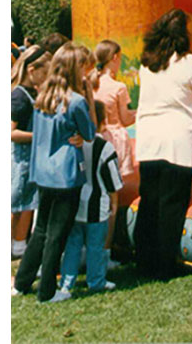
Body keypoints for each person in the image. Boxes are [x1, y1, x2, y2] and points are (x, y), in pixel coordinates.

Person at [13, 44, 96, 303]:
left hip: (43, 172)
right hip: (66, 174)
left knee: (41, 230)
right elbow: (91, 132)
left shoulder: (42, 98)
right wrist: (90, 98)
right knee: (57, 234)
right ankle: (47, 291)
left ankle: (22, 282)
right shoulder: (76, 101)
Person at [134, 8, 192, 280]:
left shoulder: (147, 63)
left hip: (149, 136)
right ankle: (164, 264)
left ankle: (143, 258)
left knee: (149, 200)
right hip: (177, 138)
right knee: (172, 203)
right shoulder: (190, 64)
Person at [57, 100, 123, 299]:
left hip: (75, 203)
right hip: (97, 205)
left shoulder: (70, 141)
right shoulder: (104, 147)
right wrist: (113, 201)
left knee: (73, 245)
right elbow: (112, 178)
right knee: (96, 246)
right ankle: (96, 281)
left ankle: (66, 282)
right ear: (102, 121)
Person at [11, 45, 52, 259]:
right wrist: (40, 135)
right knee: (15, 202)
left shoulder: (32, 93)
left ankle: (19, 243)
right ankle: (13, 243)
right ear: (32, 70)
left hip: (31, 158)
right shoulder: (19, 96)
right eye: (44, 73)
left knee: (27, 201)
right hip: (21, 159)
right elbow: (11, 132)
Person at [91, 40, 137, 178]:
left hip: (93, 137)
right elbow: (125, 119)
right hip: (113, 139)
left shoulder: (89, 82)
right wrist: (140, 113)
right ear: (115, 57)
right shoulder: (119, 87)